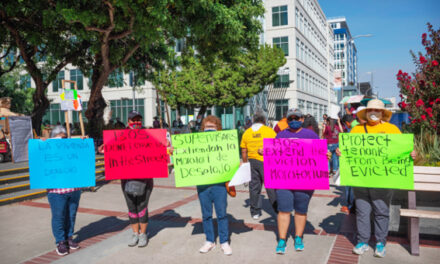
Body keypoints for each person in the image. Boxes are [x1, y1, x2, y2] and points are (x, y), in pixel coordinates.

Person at [336, 99, 417, 258]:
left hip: (382, 180)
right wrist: (341, 152)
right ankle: (363, 241)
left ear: (382, 113)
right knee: (362, 211)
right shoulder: (357, 130)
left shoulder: (391, 129)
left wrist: (412, 154)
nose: (374, 113)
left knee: (381, 211)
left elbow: (401, 151)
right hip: (361, 179)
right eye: (371, 110)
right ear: (366, 113)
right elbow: (349, 151)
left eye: (377, 110)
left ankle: (380, 242)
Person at [274, 109, 331, 254]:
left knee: (301, 210)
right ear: (287, 120)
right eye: (290, 118)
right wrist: (265, 152)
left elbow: (320, 154)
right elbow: (273, 154)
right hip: (284, 180)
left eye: (296, 117)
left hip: (305, 180)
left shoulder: (310, 134)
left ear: (301, 119)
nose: (293, 120)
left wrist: (326, 155)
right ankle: (282, 239)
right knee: (284, 210)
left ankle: (298, 237)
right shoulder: (280, 135)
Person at [196, 115, 232, 255]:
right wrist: (175, 152)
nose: (209, 129)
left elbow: (231, 159)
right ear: (202, 128)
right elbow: (185, 154)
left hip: (219, 184)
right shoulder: (196, 143)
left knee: (222, 214)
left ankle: (224, 241)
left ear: (218, 128)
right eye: (207, 127)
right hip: (203, 184)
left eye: (212, 127)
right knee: (206, 214)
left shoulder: (224, 143)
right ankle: (209, 240)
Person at [46, 125, 83, 255]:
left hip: (74, 189)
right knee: (58, 216)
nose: (63, 141)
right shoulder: (47, 151)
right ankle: (60, 241)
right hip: (56, 191)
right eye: (59, 139)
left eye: (65, 138)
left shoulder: (71, 148)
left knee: (71, 215)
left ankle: (69, 237)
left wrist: (83, 142)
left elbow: (83, 155)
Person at [240, 111, 277, 219]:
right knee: (271, 186)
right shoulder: (269, 131)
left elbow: (243, 150)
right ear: (264, 120)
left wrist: (245, 163)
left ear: (253, 120)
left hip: (251, 161)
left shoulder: (247, 132)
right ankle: (277, 209)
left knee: (254, 187)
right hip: (267, 161)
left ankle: (255, 212)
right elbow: (276, 146)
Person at [339, 114, 355, 214]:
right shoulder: (361, 126)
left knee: (350, 185)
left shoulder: (352, 129)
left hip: (351, 161)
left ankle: (350, 206)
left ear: (347, 123)